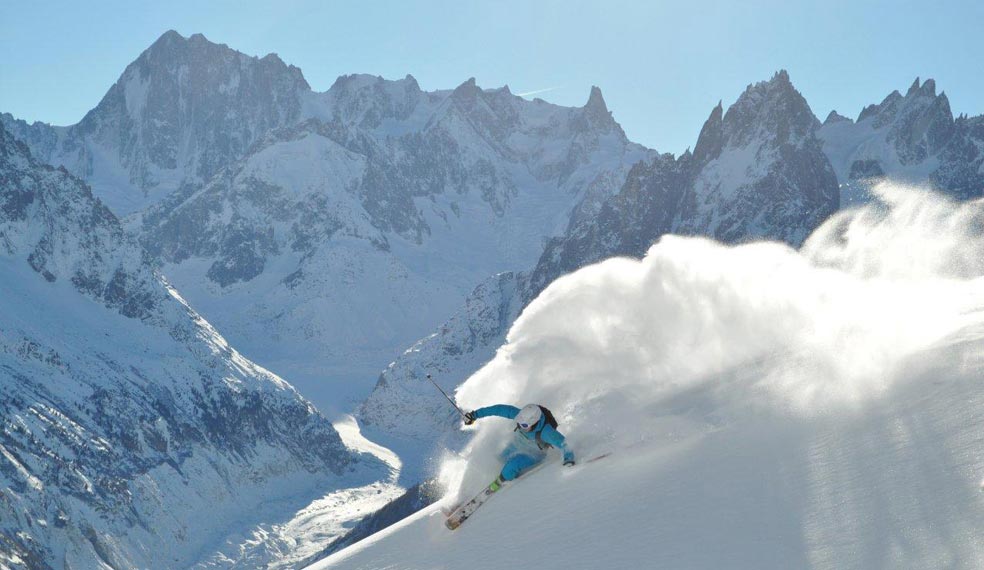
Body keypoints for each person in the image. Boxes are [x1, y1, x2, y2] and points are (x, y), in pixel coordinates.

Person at [463, 403, 576, 491]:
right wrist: (474, 415)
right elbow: (497, 409)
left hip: (532, 454)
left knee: (511, 466)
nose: (521, 427)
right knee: (499, 460)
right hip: (514, 445)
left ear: (535, 423)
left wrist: (569, 458)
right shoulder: (519, 415)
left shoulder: (546, 432)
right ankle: (495, 479)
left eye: (524, 425)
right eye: (519, 423)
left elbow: (564, 444)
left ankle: (499, 484)